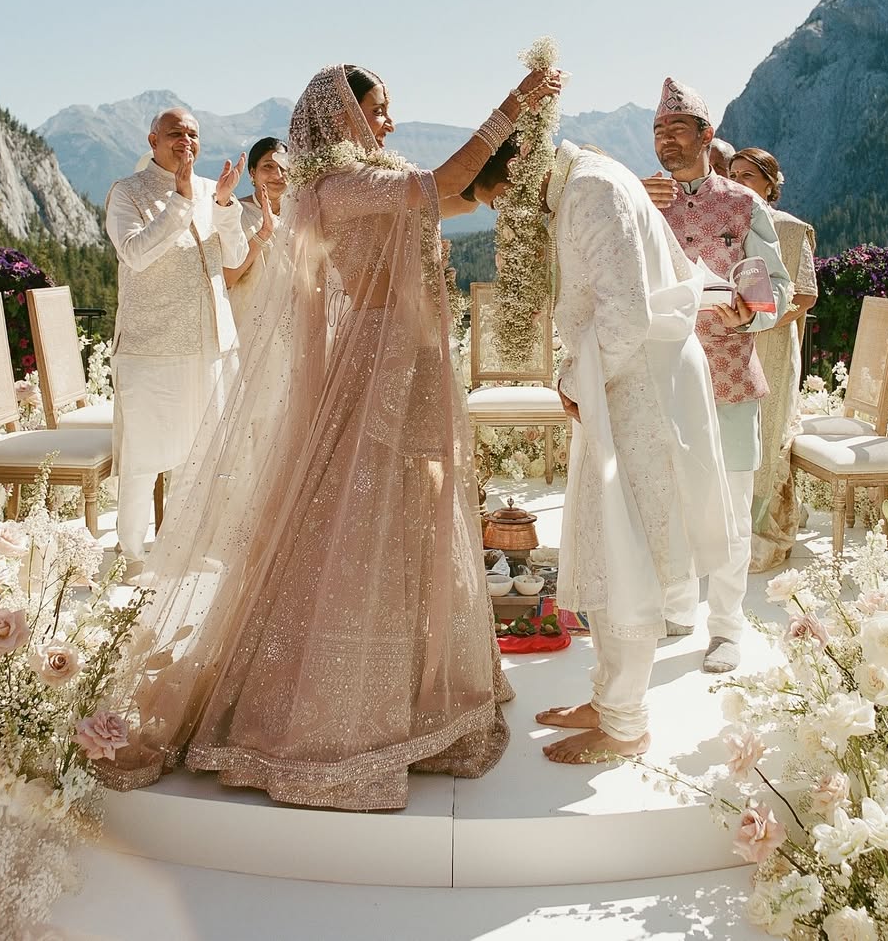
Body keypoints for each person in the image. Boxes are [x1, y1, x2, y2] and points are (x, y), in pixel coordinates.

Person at [97, 61, 562, 810]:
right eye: (377, 110)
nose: (388, 123)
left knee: (414, 510)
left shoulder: (362, 179)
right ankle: (348, 703)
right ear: (341, 116)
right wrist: (513, 106)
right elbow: (446, 185)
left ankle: (408, 680)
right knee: (364, 519)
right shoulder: (338, 187)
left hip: (405, 359)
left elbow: (461, 195)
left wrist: (531, 149)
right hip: (376, 366)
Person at [468, 139, 735, 763]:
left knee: (627, 549)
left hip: (635, 385)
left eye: (504, 199)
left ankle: (626, 724)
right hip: (617, 381)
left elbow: (625, 313)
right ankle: (607, 698)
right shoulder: (581, 183)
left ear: (519, 167)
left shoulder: (590, 191)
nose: (510, 215)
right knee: (603, 537)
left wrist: (568, 379)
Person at [643, 78, 791, 673]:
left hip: (730, 372)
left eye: (677, 129)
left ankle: (726, 627)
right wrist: (641, 210)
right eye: (657, 131)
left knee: (731, 505)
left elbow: (776, 289)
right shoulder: (640, 200)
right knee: (666, 499)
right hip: (662, 375)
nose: (665, 141)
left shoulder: (743, 203)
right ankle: (677, 608)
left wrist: (747, 314)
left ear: (706, 135)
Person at [105, 107, 248, 573]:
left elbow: (236, 254)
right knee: (144, 457)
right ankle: (131, 555)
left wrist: (225, 208)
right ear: (152, 140)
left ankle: (181, 549)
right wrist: (181, 201)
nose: (185, 140)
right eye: (175, 133)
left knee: (198, 456)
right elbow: (135, 254)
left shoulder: (213, 190)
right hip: (152, 346)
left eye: (192, 133)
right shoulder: (127, 192)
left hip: (210, 344)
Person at [728, 148, 818, 572]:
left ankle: (761, 528)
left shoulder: (791, 229)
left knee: (769, 427)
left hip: (775, 344)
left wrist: (763, 318)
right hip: (728, 341)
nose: (739, 181)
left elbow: (805, 294)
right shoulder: (723, 219)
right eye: (733, 174)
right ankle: (725, 525)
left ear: (770, 184)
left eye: (749, 175)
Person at [224, 136, 288, 320]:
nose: (277, 175)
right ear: (252, 173)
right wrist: (263, 235)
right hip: (249, 321)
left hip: (296, 319)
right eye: (268, 166)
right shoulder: (236, 213)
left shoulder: (304, 216)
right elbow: (227, 278)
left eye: (283, 167)